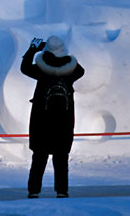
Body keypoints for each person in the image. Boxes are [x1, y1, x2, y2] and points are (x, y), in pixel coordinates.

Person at [20, 35, 85, 198]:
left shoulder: (40, 70)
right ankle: (62, 190)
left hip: (42, 120)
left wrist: (34, 50)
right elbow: (81, 70)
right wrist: (63, 55)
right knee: (61, 158)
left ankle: (34, 190)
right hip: (64, 120)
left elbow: (24, 67)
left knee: (39, 158)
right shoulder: (72, 70)